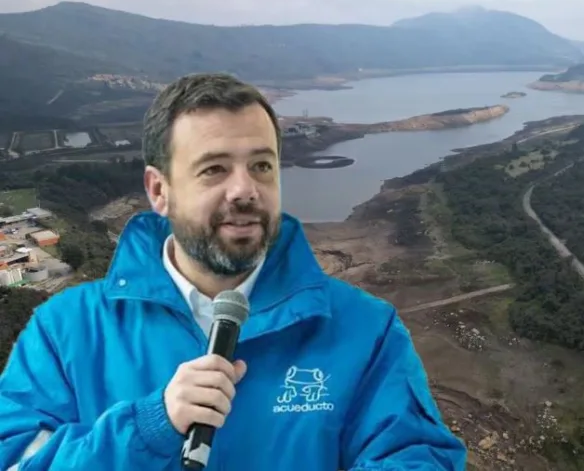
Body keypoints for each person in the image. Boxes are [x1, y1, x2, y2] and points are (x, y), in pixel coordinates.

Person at [0, 73, 468, 470]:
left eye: (262, 165)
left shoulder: (366, 329)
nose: (244, 190)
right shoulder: (65, 330)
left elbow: (413, 454)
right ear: (159, 190)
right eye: (214, 169)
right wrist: (149, 427)